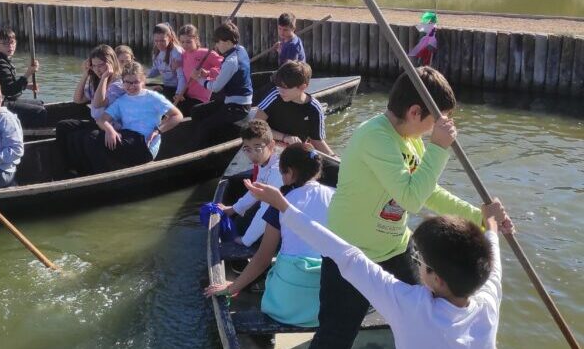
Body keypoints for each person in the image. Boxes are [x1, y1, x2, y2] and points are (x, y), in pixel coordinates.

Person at [307, 66, 502, 349]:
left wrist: (480, 218)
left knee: (429, 316)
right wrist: (438, 148)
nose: (437, 129)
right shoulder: (375, 137)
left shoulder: (411, 140)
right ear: (414, 112)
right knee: (336, 336)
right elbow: (411, 199)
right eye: (436, 121)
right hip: (350, 253)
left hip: (396, 248)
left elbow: (427, 191)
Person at [247, 180, 511, 349]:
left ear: (436, 278)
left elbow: (346, 255)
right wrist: (490, 224)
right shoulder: (488, 299)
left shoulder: (409, 304)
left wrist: (284, 206)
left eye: (420, 260)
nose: (417, 262)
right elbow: (493, 253)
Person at [205, 144, 334, 327]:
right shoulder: (337, 197)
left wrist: (231, 288)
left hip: (284, 309)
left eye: (282, 173)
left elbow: (263, 258)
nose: (281, 178)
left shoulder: (281, 203)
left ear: (289, 172)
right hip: (324, 309)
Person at [82, 62, 184, 173]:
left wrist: (158, 130)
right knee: (86, 136)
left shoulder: (153, 97)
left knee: (92, 137)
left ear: (143, 81)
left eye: (136, 82)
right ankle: (93, 171)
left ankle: (99, 174)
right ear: (122, 82)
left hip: (145, 146)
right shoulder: (121, 101)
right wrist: (110, 130)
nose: (131, 86)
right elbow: (102, 120)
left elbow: (177, 115)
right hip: (128, 138)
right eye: (127, 82)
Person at [55, 45, 124, 175]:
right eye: (94, 66)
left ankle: (93, 172)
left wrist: (104, 78)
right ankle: (68, 167)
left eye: (101, 65)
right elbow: (78, 99)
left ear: (111, 64)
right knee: (63, 126)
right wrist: (86, 74)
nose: (97, 69)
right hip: (97, 122)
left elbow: (97, 104)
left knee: (84, 137)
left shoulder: (118, 84)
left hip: (111, 125)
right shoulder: (95, 81)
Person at [215, 120, 283, 247]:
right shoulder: (265, 162)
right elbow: (256, 191)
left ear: (271, 145)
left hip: (290, 223)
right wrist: (234, 209)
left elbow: (266, 210)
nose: (252, 154)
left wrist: (246, 240)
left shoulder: (277, 171)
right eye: (247, 149)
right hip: (279, 213)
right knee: (240, 222)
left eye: (258, 148)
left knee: (248, 233)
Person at [190, 21, 253, 146]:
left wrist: (198, 79)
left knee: (205, 125)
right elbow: (227, 76)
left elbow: (216, 88)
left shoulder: (231, 61)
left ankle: (201, 148)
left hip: (237, 106)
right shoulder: (241, 49)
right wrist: (207, 74)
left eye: (218, 42)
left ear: (228, 42)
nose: (216, 45)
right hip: (233, 100)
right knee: (196, 112)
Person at [255, 61, 335, 156]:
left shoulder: (314, 108)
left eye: (285, 87)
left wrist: (333, 157)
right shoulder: (275, 95)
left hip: (294, 151)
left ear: (303, 87)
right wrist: (284, 137)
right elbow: (256, 125)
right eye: (278, 86)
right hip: (270, 146)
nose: (280, 91)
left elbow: (317, 141)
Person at [0, 27, 47, 128]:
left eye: (12, 42)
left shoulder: (2, 59)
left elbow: (5, 85)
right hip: (2, 102)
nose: (10, 46)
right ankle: (29, 134)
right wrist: (28, 73)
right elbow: (10, 91)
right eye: (5, 44)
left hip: (8, 98)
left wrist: (26, 86)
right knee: (40, 111)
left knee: (40, 103)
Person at [173, 23, 223, 116]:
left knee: (188, 112)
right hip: (188, 94)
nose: (185, 45)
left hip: (203, 98)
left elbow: (225, 68)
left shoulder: (206, 53)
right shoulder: (184, 55)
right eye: (182, 42)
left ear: (196, 39)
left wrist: (208, 73)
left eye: (188, 42)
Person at [147, 23, 184, 101]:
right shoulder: (156, 51)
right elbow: (156, 70)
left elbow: (182, 77)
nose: (159, 44)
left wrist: (178, 93)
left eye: (162, 41)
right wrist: (142, 75)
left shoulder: (176, 53)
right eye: (156, 41)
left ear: (170, 38)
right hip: (166, 85)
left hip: (176, 88)